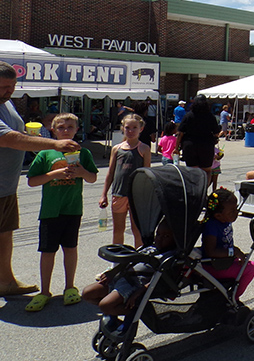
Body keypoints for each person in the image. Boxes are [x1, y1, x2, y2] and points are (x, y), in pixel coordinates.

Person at [0, 61, 81, 297]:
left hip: (6, 186)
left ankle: (5, 281)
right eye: (4, 86)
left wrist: (35, 138)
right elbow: (10, 139)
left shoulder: (6, 102)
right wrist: (54, 143)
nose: (9, 91)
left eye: (13, 86)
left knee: (5, 234)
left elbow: (18, 134)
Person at [25, 113, 99, 311]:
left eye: (70, 127)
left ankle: (69, 287)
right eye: (61, 127)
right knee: (48, 251)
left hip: (73, 209)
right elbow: (32, 181)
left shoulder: (84, 153)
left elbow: (92, 177)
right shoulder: (45, 153)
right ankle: (44, 291)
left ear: (77, 129)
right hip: (50, 210)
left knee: (70, 248)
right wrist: (54, 174)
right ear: (53, 130)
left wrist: (82, 172)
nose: (65, 130)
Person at [82, 220, 176, 321]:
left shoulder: (169, 256)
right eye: (158, 234)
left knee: (105, 305)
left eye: (166, 237)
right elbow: (131, 260)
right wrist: (113, 272)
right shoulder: (150, 247)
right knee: (87, 293)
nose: (159, 239)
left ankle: (136, 311)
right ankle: (117, 307)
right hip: (122, 276)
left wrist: (140, 291)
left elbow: (161, 279)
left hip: (133, 285)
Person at [100, 114, 152, 248]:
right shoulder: (116, 149)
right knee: (118, 230)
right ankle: (117, 260)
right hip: (119, 193)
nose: (131, 131)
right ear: (122, 128)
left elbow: (147, 174)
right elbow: (111, 173)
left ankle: (139, 259)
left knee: (137, 230)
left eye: (134, 127)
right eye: (127, 127)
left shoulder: (144, 149)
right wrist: (104, 194)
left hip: (137, 195)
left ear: (141, 129)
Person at [201, 188, 254, 301]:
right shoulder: (211, 226)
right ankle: (233, 297)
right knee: (251, 268)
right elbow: (211, 251)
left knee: (244, 262)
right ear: (218, 216)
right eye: (232, 212)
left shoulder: (224, 221)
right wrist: (234, 252)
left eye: (236, 209)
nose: (236, 213)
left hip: (223, 261)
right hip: (214, 266)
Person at [175, 94, 220, 185]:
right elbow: (216, 133)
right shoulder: (210, 116)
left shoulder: (189, 116)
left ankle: (193, 190)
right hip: (206, 145)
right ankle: (203, 190)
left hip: (190, 145)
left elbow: (180, 133)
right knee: (206, 171)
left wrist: (176, 148)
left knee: (192, 171)